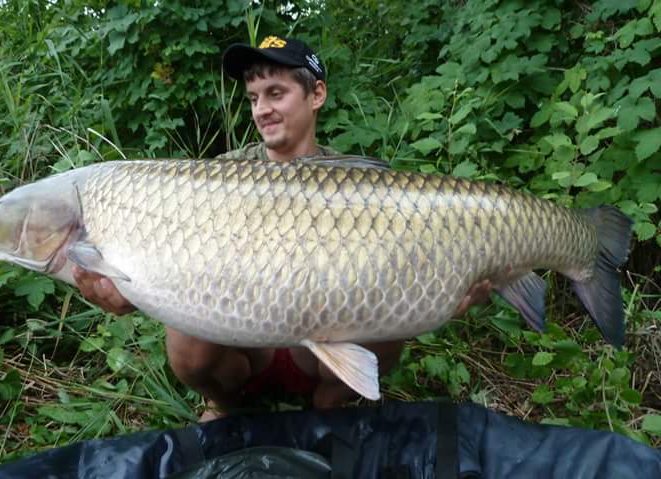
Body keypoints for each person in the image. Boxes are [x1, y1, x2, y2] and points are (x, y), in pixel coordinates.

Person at [73, 36, 492, 421]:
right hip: (245, 345)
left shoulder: (361, 188)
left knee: (387, 312)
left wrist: (444, 287)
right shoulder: (217, 179)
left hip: (323, 343)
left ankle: (330, 402)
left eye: (276, 93)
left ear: (317, 95)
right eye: (254, 97)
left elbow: (409, 262)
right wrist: (128, 289)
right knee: (184, 341)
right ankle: (228, 405)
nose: (261, 109)